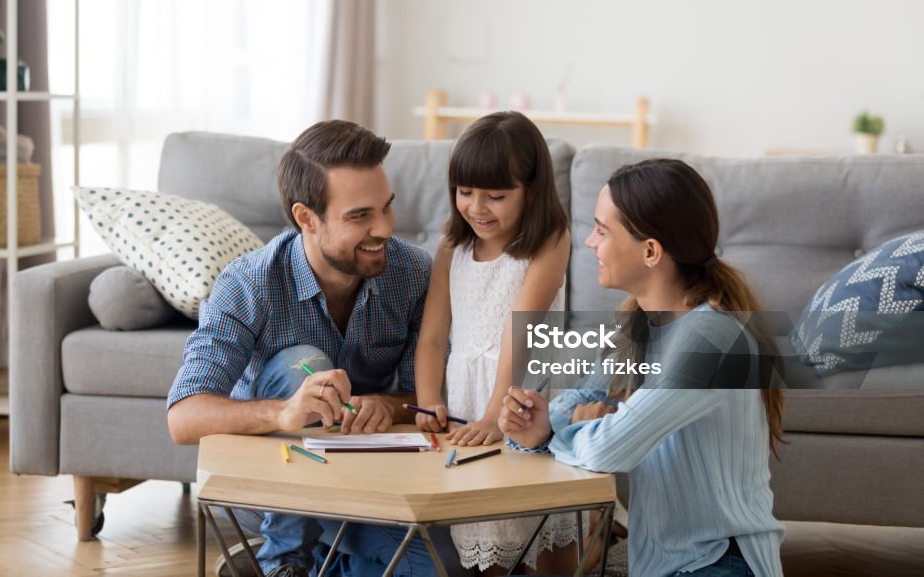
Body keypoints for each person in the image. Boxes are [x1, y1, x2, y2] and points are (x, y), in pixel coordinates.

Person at [166, 120, 463, 577]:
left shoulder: (411, 274)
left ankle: (320, 562)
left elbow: (418, 400)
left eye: (387, 208)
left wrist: (383, 405)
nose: (384, 228)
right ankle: (283, 563)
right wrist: (282, 413)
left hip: (364, 481)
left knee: (441, 564)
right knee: (305, 365)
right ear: (306, 218)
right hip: (274, 487)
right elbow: (183, 417)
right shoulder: (248, 283)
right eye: (360, 216)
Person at [499, 158, 786, 577]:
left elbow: (606, 449)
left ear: (650, 251)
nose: (589, 242)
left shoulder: (711, 341)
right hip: (663, 563)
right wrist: (548, 424)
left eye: (602, 230)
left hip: (719, 562)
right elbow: (574, 400)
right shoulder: (642, 327)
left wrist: (553, 430)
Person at [413, 111, 578, 574]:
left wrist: (494, 413)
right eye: (465, 192)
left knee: (547, 531)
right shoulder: (453, 247)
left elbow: (519, 329)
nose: (478, 207)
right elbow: (432, 336)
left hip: (523, 393)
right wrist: (429, 403)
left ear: (532, 190)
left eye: (496, 196)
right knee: (491, 535)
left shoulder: (550, 238)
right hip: (470, 396)